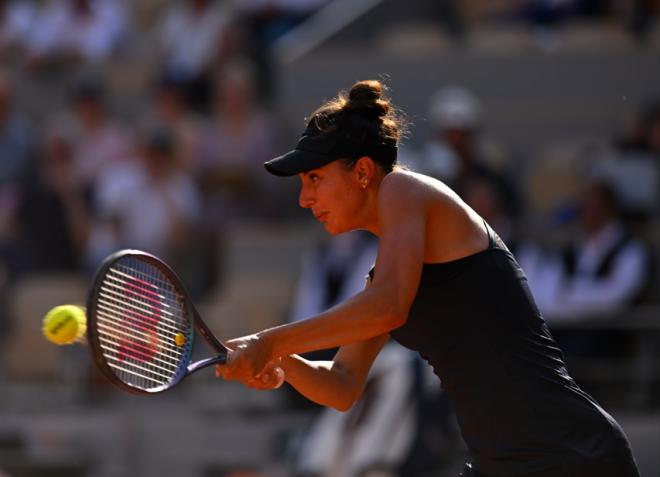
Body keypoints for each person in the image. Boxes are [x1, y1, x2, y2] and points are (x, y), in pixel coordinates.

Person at [215, 80, 640, 476]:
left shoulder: (405, 191)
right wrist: (280, 361)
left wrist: (269, 342)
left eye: (314, 178)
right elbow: (341, 386)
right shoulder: (384, 274)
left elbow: (389, 305)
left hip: (572, 455)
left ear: (363, 172)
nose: (305, 199)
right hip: (502, 463)